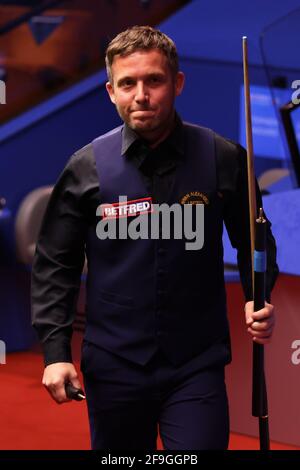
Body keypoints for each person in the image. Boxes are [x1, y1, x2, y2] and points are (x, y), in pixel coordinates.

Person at [31, 25, 278, 450]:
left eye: (154, 80)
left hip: (195, 362)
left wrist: (259, 293)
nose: (141, 95)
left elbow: (256, 241)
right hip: (114, 364)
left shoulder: (223, 157)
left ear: (177, 83)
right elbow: (56, 264)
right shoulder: (85, 167)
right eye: (127, 83)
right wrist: (55, 353)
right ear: (111, 91)